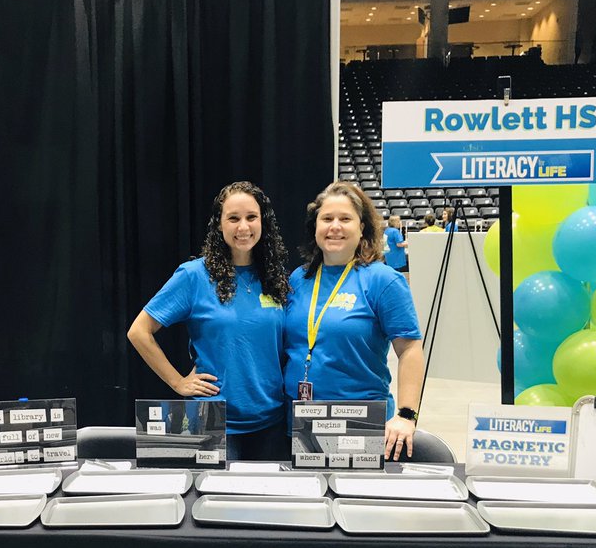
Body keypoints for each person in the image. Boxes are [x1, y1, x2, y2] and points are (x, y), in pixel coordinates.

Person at [128, 181, 292, 460]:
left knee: (267, 502)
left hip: (271, 421)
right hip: (212, 421)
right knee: (216, 503)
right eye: (233, 218)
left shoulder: (274, 277)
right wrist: (178, 382)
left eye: (252, 217)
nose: (244, 227)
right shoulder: (194, 276)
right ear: (219, 224)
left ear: (263, 221)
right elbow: (139, 331)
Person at [283, 181, 425, 460]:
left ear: (362, 228)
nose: (335, 226)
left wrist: (407, 415)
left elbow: (409, 350)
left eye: (345, 218)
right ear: (315, 227)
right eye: (327, 218)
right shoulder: (299, 279)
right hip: (298, 422)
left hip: (360, 422)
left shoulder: (383, 280)